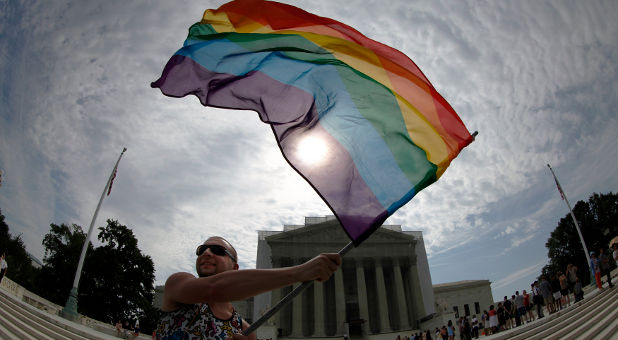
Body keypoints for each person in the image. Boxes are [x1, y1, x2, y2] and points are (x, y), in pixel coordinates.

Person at [156, 236, 341, 340]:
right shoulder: (178, 285)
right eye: (202, 249)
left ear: (235, 268)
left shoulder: (244, 329)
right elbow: (214, 288)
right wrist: (299, 273)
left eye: (218, 251)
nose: (206, 253)